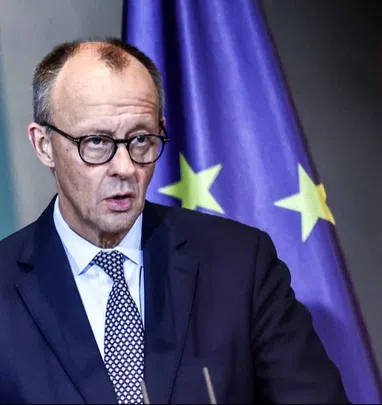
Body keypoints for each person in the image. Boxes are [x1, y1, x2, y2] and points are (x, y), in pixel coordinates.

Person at [0, 38, 349, 404]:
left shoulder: (241, 264)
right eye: (97, 142)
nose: (125, 167)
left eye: (141, 139)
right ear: (44, 145)